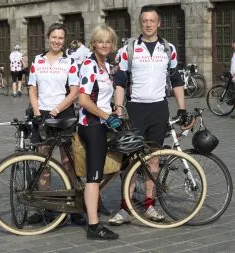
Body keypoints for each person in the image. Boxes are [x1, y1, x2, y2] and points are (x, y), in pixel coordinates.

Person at [109, 5, 186, 225]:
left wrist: (182, 107)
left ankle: (150, 205)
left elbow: (176, 79)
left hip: (159, 109)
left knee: (153, 160)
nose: (149, 24)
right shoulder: (129, 49)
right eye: (145, 21)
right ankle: (125, 207)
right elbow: (120, 82)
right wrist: (117, 108)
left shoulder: (168, 48)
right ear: (140, 23)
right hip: (135, 109)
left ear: (159, 23)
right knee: (130, 161)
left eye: (152, 21)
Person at [27, 23, 85, 226]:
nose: (57, 41)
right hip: (41, 113)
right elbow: (32, 88)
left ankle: (74, 206)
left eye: (61, 38)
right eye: (54, 37)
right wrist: (37, 113)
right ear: (48, 37)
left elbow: (75, 91)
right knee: (43, 162)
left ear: (64, 40)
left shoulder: (70, 62)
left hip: (63, 113)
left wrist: (56, 110)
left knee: (68, 162)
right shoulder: (38, 60)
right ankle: (46, 208)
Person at [78, 24, 122, 240]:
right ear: (93, 43)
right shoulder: (89, 65)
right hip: (91, 125)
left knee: (103, 171)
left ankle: (91, 204)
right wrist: (107, 116)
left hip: (101, 123)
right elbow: (84, 100)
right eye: (100, 41)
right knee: (93, 177)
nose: (105, 44)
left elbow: (101, 97)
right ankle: (94, 226)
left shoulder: (104, 66)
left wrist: (113, 110)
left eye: (108, 41)